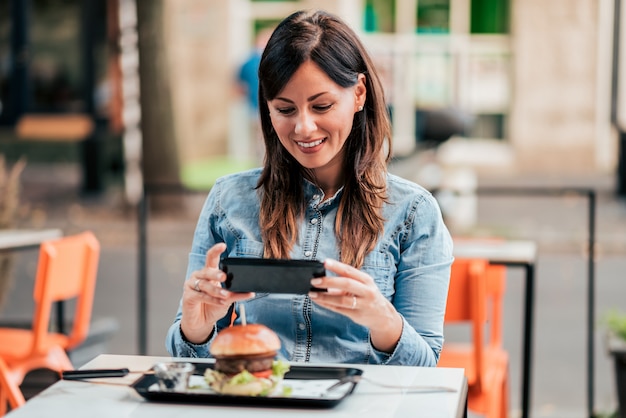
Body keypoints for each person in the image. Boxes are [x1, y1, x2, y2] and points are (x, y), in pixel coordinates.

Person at [166, 9, 453, 367]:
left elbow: (425, 369)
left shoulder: (413, 212)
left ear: (359, 93)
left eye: (322, 106)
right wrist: (197, 328)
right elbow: (188, 361)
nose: (303, 127)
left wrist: (384, 321)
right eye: (285, 109)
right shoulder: (229, 200)